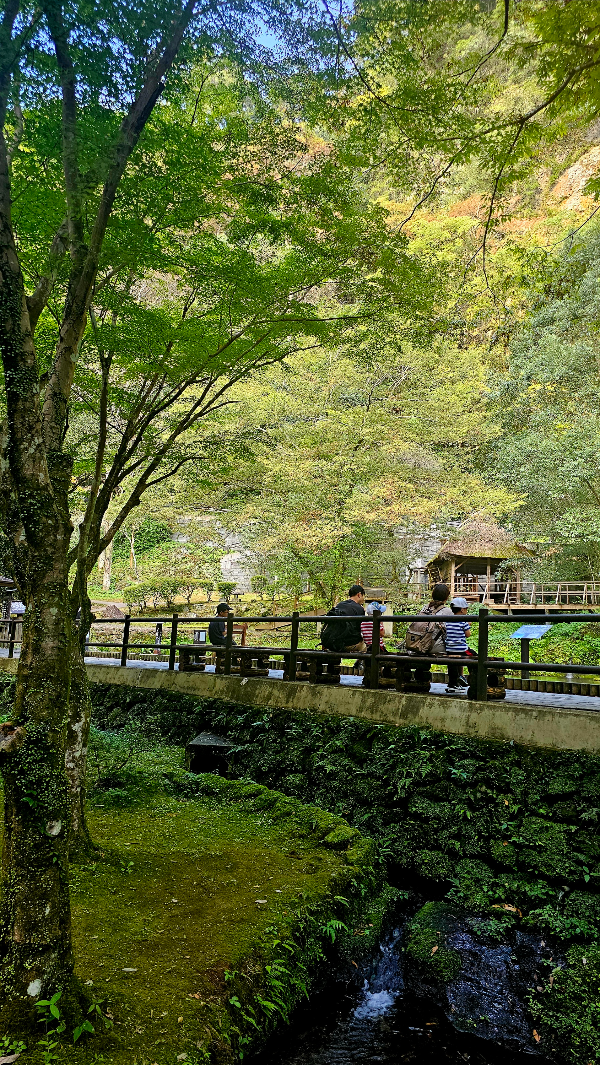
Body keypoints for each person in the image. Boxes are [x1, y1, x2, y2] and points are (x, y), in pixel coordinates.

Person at [407, 583, 453, 685]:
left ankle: (420, 677)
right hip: (435, 647)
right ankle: (454, 682)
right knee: (455, 650)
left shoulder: (425, 608)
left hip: (418, 644)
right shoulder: (447, 611)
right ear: (446, 597)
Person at [321, 584, 367, 654]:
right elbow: (360, 629)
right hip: (347, 644)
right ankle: (361, 661)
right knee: (365, 646)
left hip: (331, 642)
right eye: (363, 596)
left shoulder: (340, 605)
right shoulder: (359, 609)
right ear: (359, 595)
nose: (363, 599)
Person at [444, 596, 474, 694]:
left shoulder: (448, 620)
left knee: (452, 664)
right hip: (461, 649)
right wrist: (468, 625)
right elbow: (468, 635)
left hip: (449, 649)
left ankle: (452, 684)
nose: (466, 611)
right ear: (462, 610)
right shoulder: (463, 621)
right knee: (475, 657)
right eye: (466, 609)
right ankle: (474, 676)